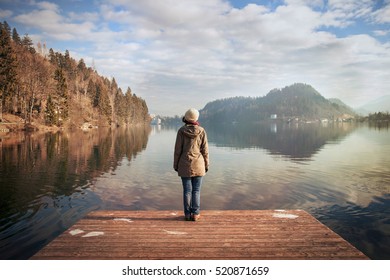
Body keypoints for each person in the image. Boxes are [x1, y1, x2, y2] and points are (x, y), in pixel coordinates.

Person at [174, 108, 209, 221]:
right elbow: (205, 151)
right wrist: (206, 165)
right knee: (196, 191)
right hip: (199, 164)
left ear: (186, 118)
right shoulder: (202, 131)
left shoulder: (181, 131)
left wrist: (176, 164)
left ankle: (187, 214)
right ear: (196, 118)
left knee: (187, 191)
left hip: (184, 164)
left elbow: (177, 150)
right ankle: (196, 214)